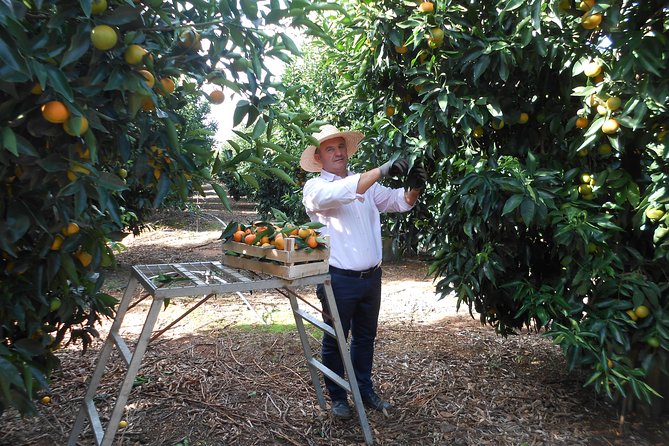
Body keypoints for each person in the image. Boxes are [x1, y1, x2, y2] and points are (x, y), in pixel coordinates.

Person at [300, 124, 427, 419]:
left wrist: (416, 184)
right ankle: (338, 396)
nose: (338, 153)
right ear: (318, 158)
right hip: (338, 279)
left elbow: (401, 201)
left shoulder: (366, 187)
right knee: (335, 338)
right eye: (330, 149)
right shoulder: (316, 188)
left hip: (371, 278)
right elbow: (342, 192)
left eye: (340, 147)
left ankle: (364, 388)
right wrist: (382, 169)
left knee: (365, 338)